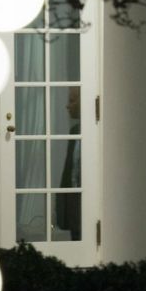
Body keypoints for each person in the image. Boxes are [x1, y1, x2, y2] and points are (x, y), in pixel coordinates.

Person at [56, 87, 82, 240]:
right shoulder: (74, 131)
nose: (67, 106)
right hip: (73, 200)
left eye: (72, 101)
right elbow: (69, 170)